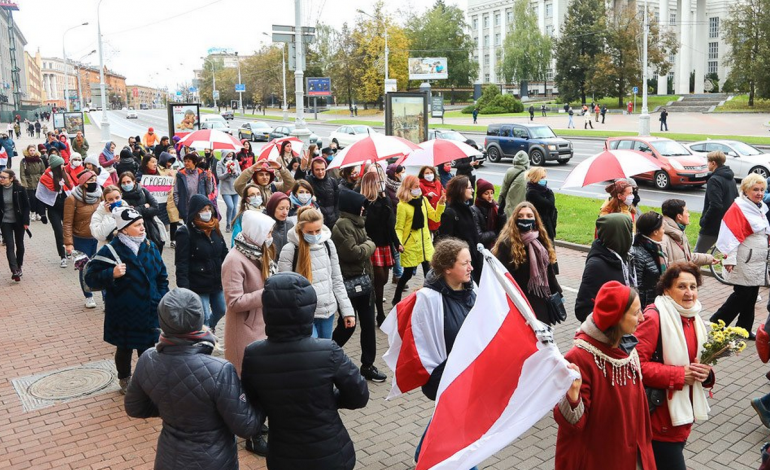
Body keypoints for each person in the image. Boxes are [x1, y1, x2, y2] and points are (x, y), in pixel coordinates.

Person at [240, 272, 369, 470]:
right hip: (331, 454)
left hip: (283, 456)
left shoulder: (253, 355)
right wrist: (329, 400)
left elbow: (253, 403)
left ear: (268, 310)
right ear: (309, 308)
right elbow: (359, 395)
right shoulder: (328, 351)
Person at [125, 288, 263, 470]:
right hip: (215, 461)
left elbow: (135, 407)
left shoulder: (148, 358)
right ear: (199, 317)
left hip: (169, 459)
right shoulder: (220, 370)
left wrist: (172, 408)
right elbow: (246, 426)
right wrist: (262, 399)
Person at [554, 281, 655, 470]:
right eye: (635, 313)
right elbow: (572, 427)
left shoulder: (627, 345)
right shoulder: (579, 357)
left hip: (634, 452)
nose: (642, 318)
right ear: (616, 317)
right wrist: (573, 397)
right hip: (601, 458)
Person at [636, 262, 714, 470]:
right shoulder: (654, 317)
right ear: (667, 289)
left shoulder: (693, 317)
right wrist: (679, 375)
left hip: (682, 418)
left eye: (693, 286)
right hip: (659, 420)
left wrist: (706, 374)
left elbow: (698, 363)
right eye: (681, 287)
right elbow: (635, 366)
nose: (689, 293)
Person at [84, 206, 169, 394]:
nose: (142, 228)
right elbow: (90, 279)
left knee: (148, 350)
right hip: (124, 311)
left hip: (149, 309)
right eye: (137, 225)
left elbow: (162, 276)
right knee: (125, 349)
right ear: (123, 229)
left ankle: (147, 380)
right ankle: (125, 378)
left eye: (142, 224)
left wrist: (160, 297)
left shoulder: (150, 246)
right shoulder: (110, 250)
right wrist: (111, 273)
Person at [408, 238, 477, 465]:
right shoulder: (429, 300)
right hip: (448, 377)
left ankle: (422, 454)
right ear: (448, 268)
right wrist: (441, 378)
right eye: (464, 263)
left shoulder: (472, 290)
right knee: (462, 441)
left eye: (470, 262)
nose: (471, 267)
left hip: (469, 375)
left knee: (449, 425)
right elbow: (422, 345)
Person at [331, 188, 386, 382]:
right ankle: (327, 354)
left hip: (365, 281)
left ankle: (368, 365)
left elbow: (366, 243)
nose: (364, 209)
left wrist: (367, 246)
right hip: (349, 282)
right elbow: (354, 253)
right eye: (362, 205)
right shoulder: (342, 225)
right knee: (348, 325)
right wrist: (370, 246)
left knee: (369, 325)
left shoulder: (358, 222)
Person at [277, 206, 355, 339]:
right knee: (311, 354)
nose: (314, 235)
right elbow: (285, 288)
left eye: (317, 231)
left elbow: (336, 279)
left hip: (327, 311)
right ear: (300, 229)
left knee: (324, 353)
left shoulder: (328, 244)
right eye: (309, 232)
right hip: (303, 315)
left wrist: (347, 311)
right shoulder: (290, 249)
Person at [711, 173, 769, 338]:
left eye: (762, 190)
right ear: (746, 190)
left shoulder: (759, 207)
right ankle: (718, 321)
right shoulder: (740, 207)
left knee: (750, 296)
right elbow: (730, 235)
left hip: (756, 260)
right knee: (741, 295)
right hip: (745, 259)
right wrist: (730, 258)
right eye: (755, 189)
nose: (759, 193)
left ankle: (743, 328)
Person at [493, 201, 561, 324]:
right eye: (521, 216)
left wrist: (558, 293)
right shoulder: (507, 244)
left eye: (529, 216)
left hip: (540, 300)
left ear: (535, 219)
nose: (525, 219)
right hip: (520, 303)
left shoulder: (541, 240)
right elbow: (501, 276)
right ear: (515, 219)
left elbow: (548, 271)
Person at [176, 194, 229, 332]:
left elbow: (224, 252)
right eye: (203, 209)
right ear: (195, 212)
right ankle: (203, 339)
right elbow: (182, 262)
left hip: (217, 281)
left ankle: (209, 328)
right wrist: (184, 288)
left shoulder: (215, 227)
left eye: (208, 209)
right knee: (203, 315)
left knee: (221, 310)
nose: (207, 212)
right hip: (198, 283)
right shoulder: (185, 232)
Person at [392, 175, 446, 305]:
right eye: (415, 187)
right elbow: (399, 227)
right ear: (408, 188)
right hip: (410, 245)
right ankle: (396, 297)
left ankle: (429, 300)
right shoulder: (402, 206)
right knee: (408, 274)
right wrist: (398, 243)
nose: (418, 189)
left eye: (418, 186)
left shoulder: (423, 200)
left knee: (429, 273)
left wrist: (441, 204)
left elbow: (435, 216)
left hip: (425, 243)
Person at [575, 214, 635, 322]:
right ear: (620, 234)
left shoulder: (626, 257)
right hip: (608, 333)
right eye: (629, 231)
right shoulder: (597, 265)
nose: (632, 236)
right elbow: (583, 309)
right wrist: (611, 323)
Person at [359, 172, 401, 326]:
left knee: (383, 279)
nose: (381, 184)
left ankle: (372, 300)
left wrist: (396, 243)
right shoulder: (365, 203)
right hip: (372, 244)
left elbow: (391, 223)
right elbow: (372, 223)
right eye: (378, 182)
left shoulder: (385, 199)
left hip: (385, 243)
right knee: (378, 279)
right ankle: (379, 313)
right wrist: (382, 205)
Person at [63, 171, 102, 308]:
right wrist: (68, 243)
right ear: (83, 182)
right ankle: (88, 296)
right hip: (81, 238)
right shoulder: (72, 199)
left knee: (101, 266)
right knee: (85, 267)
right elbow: (67, 223)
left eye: (95, 179)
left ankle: (105, 296)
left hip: (97, 237)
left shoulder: (99, 195)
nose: (93, 182)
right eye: (90, 180)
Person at [438, 175, 482, 283]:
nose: (472, 190)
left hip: (473, 260)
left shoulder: (469, 210)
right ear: (461, 190)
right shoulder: (450, 213)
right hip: (460, 264)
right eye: (469, 187)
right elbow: (445, 243)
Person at [694, 150, 738, 253]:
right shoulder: (731, 179)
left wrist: (704, 220)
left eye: (708, 161)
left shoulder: (714, 180)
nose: (707, 164)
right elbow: (735, 199)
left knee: (698, 255)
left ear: (713, 163)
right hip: (726, 223)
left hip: (713, 225)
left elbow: (715, 205)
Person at [37, 154, 73, 267]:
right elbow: (40, 196)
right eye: (61, 165)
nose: (63, 166)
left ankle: (70, 250)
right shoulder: (45, 178)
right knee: (58, 232)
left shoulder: (64, 174)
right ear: (56, 166)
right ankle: (62, 256)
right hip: (53, 208)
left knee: (68, 230)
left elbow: (71, 189)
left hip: (65, 207)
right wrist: (42, 213)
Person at [661, 199, 716, 266]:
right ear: (679, 217)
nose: (689, 215)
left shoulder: (679, 232)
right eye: (687, 212)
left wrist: (709, 259)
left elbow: (687, 257)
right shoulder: (663, 238)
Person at [119, 172, 165, 253]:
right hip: (132, 233)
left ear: (134, 181)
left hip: (151, 228)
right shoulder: (120, 198)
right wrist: (143, 207)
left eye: (128, 182)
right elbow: (127, 215)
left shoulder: (143, 191)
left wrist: (135, 210)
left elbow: (155, 208)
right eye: (123, 183)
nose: (126, 184)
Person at [632, 211, 667, 308]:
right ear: (655, 232)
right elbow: (635, 287)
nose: (664, 231)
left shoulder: (656, 248)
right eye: (663, 228)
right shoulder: (637, 254)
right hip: (646, 308)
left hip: (656, 303)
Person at [0, 169, 30, 282]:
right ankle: (14, 270)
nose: (1, 179)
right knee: (10, 245)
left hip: (19, 221)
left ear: (11, 179)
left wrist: (26, 221)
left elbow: (27, 206)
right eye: (0, 177)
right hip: (5, 221)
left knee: (20, 244)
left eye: (4, 177)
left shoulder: (20, 189)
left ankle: (19, 265)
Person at [293, 157, 338, 229]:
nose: (320, 172)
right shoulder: (308, 180)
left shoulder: (332, 181)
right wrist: (302, 167)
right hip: (315, 220)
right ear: (313, 170)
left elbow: (337, 202)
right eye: (317, 169)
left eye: (323, 169)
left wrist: (336, 216)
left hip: (332, 221)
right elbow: (298, 180)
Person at [174, 154, 211, 224]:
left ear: (195, 162)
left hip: (200, 208)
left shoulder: (202, 174)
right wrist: (179, 206)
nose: (186, 163)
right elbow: (176, 192)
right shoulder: (180, 175)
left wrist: (209, 179)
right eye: (185, 161)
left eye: (188, 161)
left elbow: (208, 191)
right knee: (189, 229)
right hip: (186, 208)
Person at [525, 167, 558, 242]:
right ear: (535, 178)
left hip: (547, 223)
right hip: (540, 225)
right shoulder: (532, 192)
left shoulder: (543, 190)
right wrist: (550, 193)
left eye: (544, 177)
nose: (544, 179)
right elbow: (549, 204)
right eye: (542, 177)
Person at [472, 178, 505, 250]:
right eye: (486, 193)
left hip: (496, 246)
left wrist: (501, 215)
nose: (490, 196)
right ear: (480, 195)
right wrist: (495, 233)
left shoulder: (495, 207)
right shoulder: (474, 210)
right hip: (482, 249)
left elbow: (503, 230)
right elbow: (479, 237)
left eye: (492, 193)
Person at [498, 150, 530, 217]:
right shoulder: (528, 174)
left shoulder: (509, 171)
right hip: (523, 208)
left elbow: (503, 191)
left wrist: (499, 205)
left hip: (509, 207)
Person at [216, 151, 241, 232]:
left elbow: (240, 173)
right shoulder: (219, 163)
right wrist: (227, 173)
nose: (229, 157)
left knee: (234, 208)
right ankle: (228, 223)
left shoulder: (236, 162)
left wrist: (235, 172)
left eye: (231, 155)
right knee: (230, 206)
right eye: (228, 155)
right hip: (225, 189)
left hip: (234, 188)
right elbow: (220, 176)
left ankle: (233, 223)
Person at [19, 145, 45, 221]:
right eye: (31, 150)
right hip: (29, 181)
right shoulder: (24, 161)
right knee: (32, 198)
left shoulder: (39, 160)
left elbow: (43, 171)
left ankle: (38, 213)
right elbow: (22, 173)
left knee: (38, 198)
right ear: (28, 151)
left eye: (33, 150)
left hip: (38, 181)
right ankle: (32, 212)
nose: (32, 152)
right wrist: (24, 183)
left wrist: (42, 180)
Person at [265, 192, 293, 257]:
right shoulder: (264, 226)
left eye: (287, 208)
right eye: (281, 208)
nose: (285, 212)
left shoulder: (290, 224)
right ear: (272, 208)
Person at [418, 166, 444, 235]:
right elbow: (418, 199)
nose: (429, 175)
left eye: (431, 172)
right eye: (427, 173)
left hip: (438, 211)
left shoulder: (437, 183)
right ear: (422, 174)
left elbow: (443, 192)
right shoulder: (420, 184)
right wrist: (427, 195)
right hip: (428, 214)